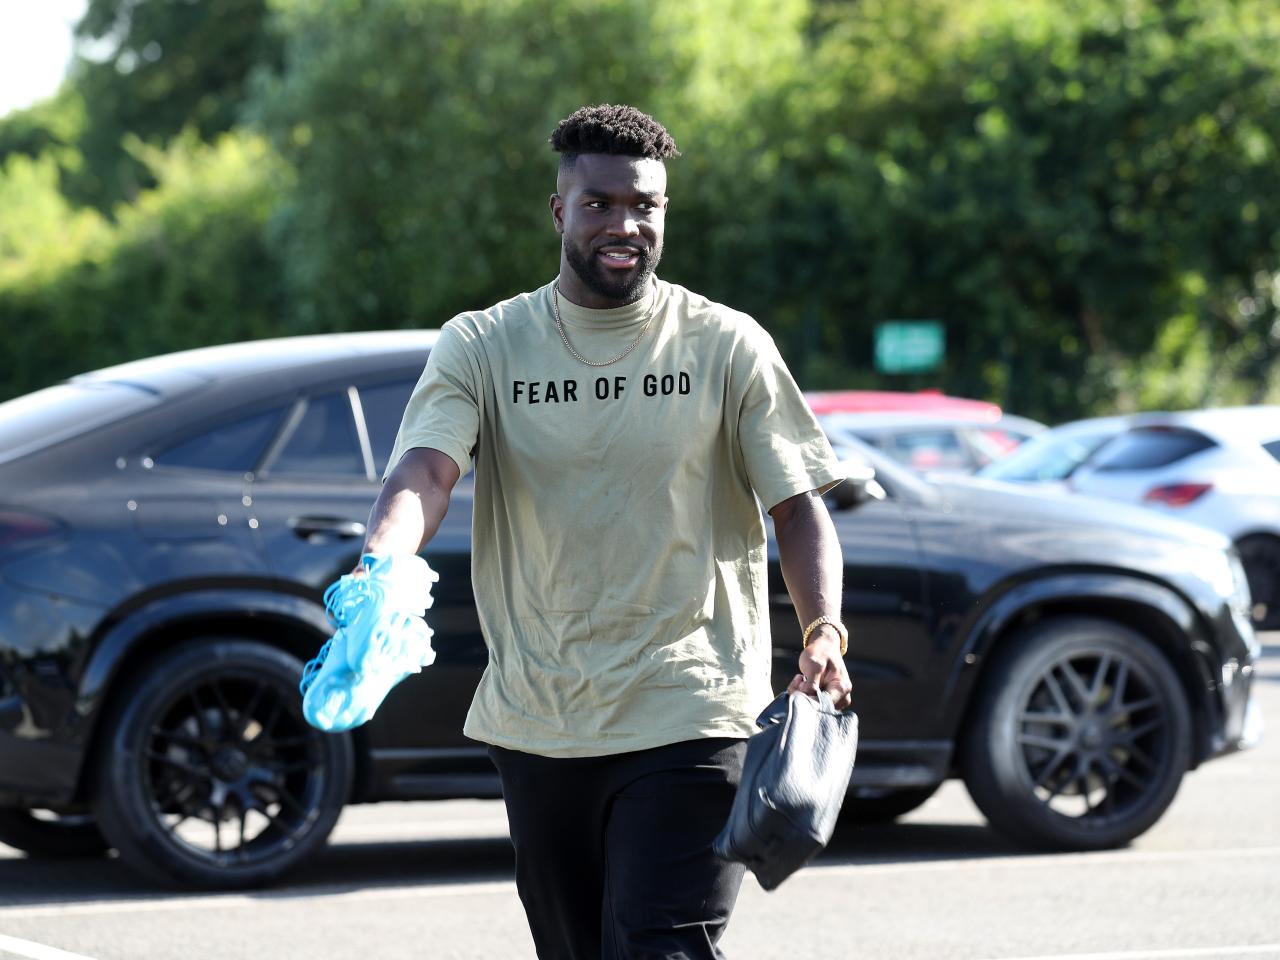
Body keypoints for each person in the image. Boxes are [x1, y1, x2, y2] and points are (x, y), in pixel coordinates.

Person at [362, 103, 852, 959]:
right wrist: (380, 564)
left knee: (660, 946)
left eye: (645, 206)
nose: (625, 224)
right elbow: (426, 472)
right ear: (560, 211)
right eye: (600, 204)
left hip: (691, 705)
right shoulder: (484, 344)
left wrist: (823, 629)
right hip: (539, 716)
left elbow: (797, 505)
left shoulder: (724, 344)